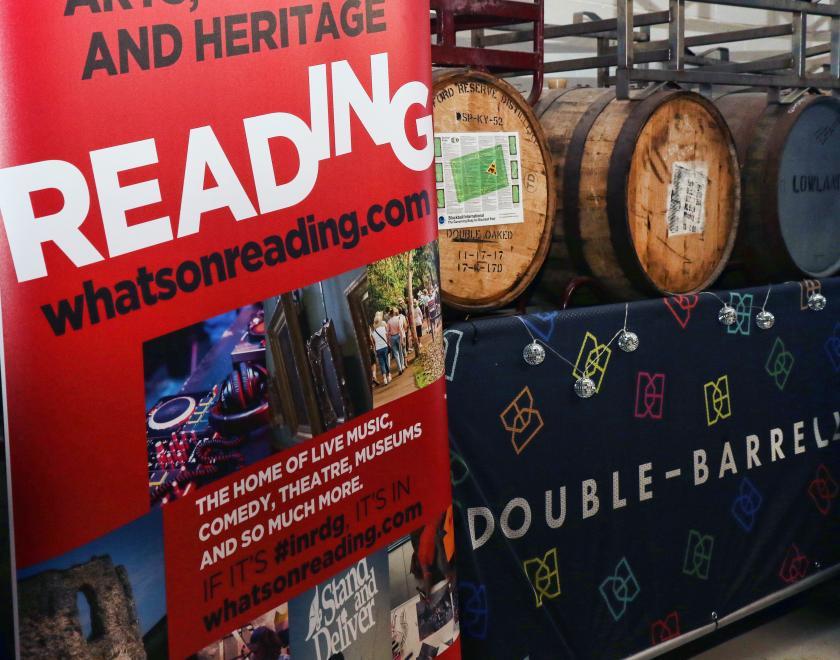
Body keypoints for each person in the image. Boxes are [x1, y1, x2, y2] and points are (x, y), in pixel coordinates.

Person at [372, 312, 391, 384]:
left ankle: (384, 378)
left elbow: (374, 342)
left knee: (382, 364)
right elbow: (387, 337)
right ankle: (388, 376)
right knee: (386, 362)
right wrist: (388, 343)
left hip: (378, 349)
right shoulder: (383, 328)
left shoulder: (373, 333)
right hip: (385, 347)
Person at [387, 308, 406, 374]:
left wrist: (388, 341)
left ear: (390, 314)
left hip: (392, 337)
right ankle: (402, 366)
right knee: (400, 351)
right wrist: (401, 338)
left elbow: (388, 332)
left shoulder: (389, 321)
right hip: (398, 336)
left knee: (396, 354)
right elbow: (400, 329)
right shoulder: (398, 319)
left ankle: (399, 368)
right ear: (394, 313)